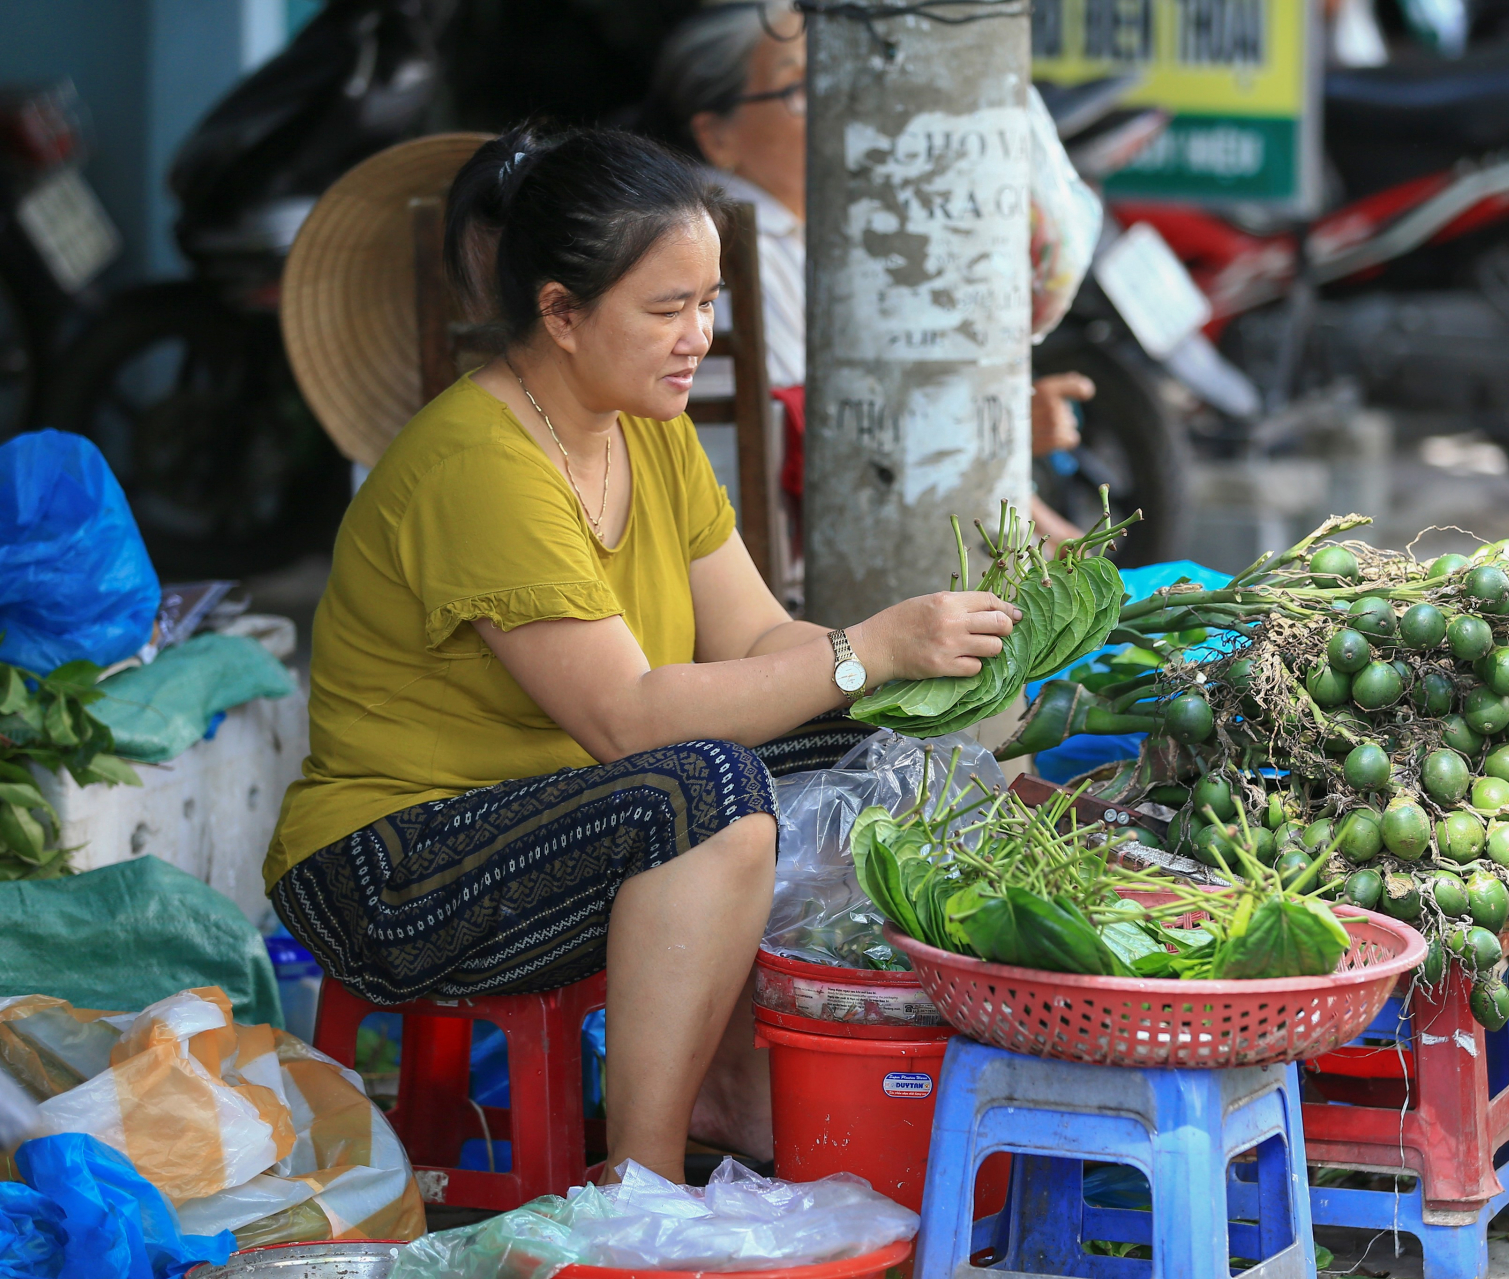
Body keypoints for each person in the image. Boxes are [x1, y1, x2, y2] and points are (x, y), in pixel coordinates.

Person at [264, 124, 1021, 1183]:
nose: (697, 336)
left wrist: (912, 682)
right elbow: (626, 719)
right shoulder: (480, 464)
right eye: (667, 309)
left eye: (707, 303)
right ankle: (647, 1183)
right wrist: (867, 646)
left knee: (854, 734)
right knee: (703, 785)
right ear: (561, 314)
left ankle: (738, 1094)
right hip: (390, 868)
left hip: (560, 811)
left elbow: (759, 638)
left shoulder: (644, 427)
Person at [649, 0, 1095, 542]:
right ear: (718, 137)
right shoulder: (730, 244)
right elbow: (815, 431)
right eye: (800, 89)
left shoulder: (816, 234)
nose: (841, 107)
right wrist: (991, 428)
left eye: (843, 81)